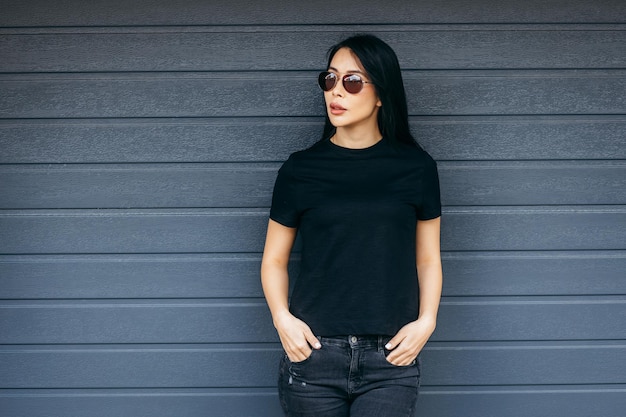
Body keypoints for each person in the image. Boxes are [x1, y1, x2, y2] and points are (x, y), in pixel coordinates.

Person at [261, 34, 442, 417]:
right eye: (329, 79)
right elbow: (274, 260)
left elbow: (427, 259)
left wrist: (427, 321)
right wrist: (283, 320)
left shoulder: (417, 168)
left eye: (352, 81)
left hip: (390, 360)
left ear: (380, 94)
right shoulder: (300, 170)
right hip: (314, 358)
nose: (336, 92)